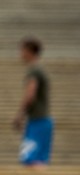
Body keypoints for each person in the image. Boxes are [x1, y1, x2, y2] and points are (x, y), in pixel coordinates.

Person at [14, 37, 52, 168]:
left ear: (29, 51)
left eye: (22, 50)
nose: (20, 54)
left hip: (37, 120)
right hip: (43, 120)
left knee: (30, 160)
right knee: (40, 159)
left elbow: (30, 94)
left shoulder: (33, 70)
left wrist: (20, 115)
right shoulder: (40, 69)